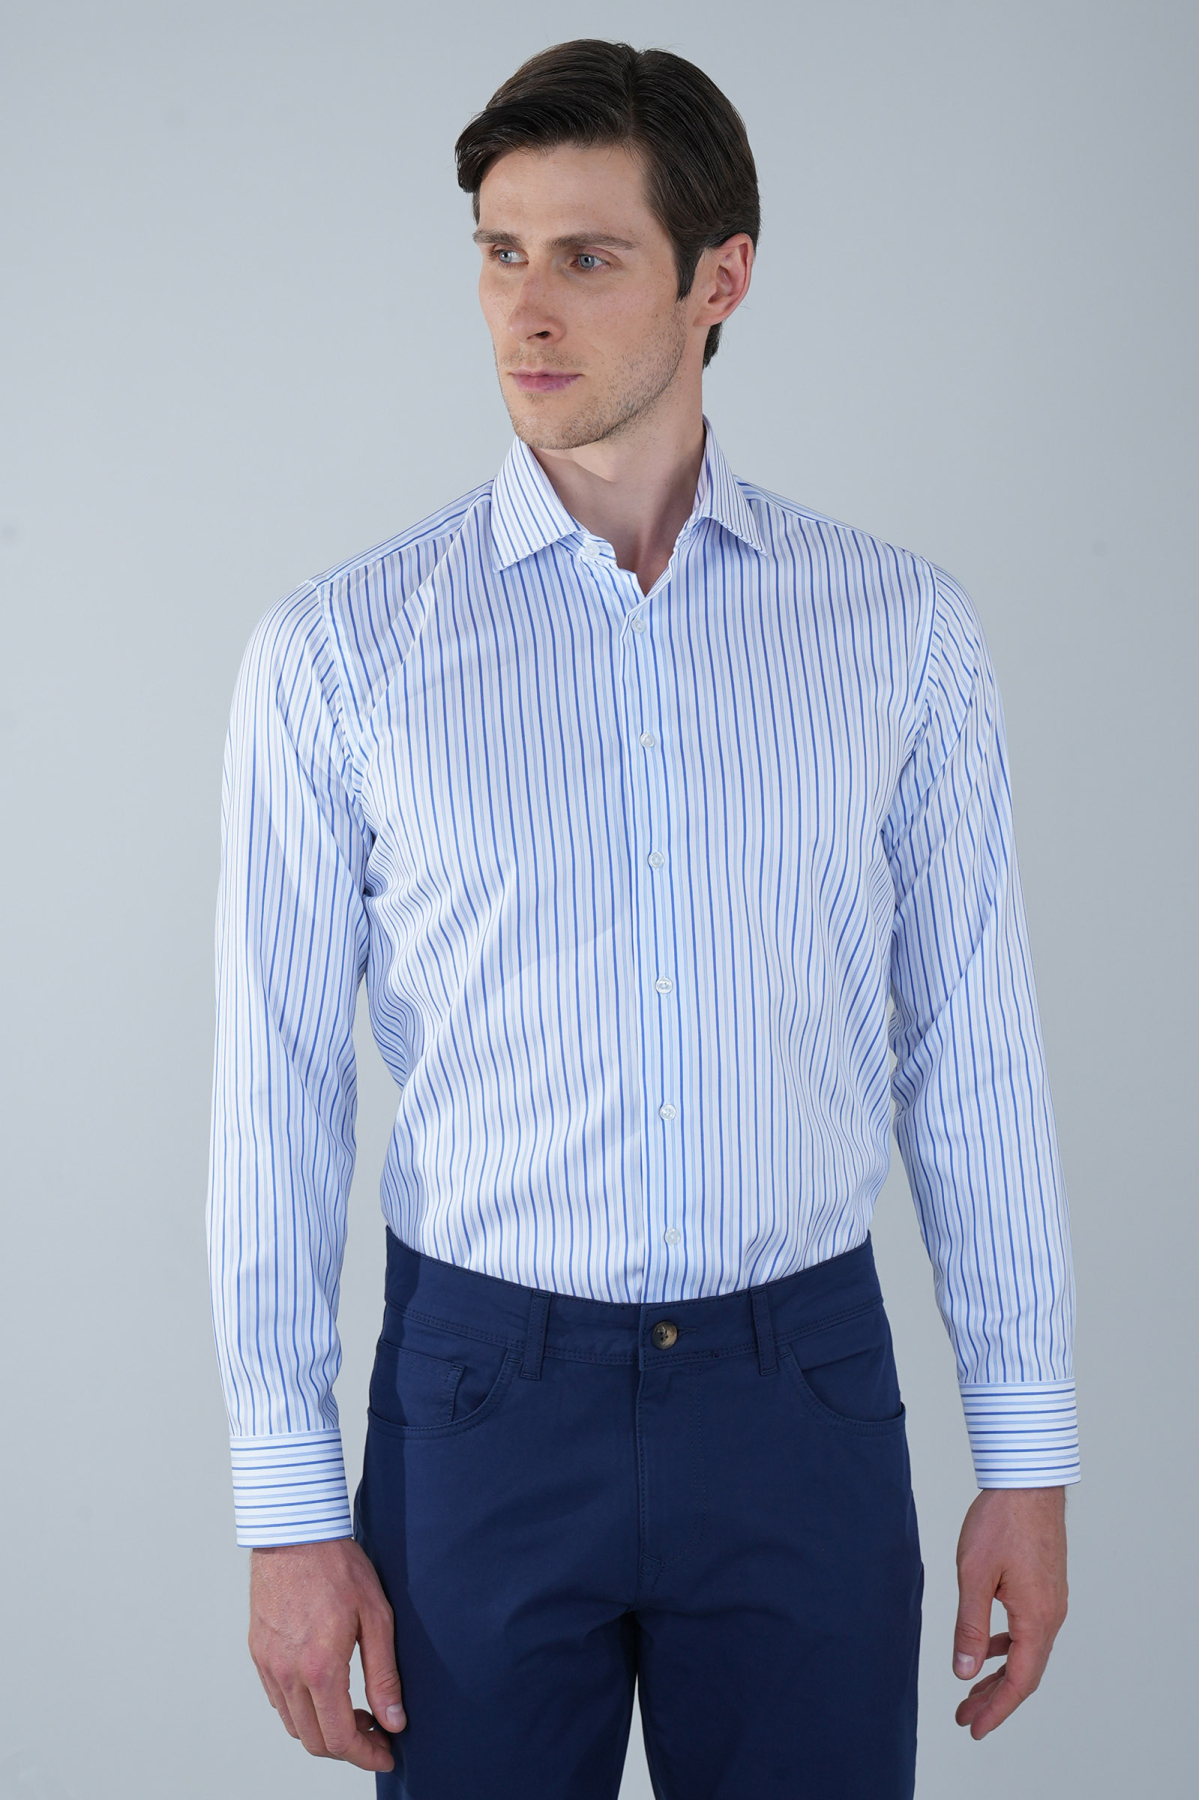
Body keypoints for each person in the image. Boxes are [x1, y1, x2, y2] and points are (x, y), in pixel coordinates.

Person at [206, 38, 1077, 1800]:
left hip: (799, 1393)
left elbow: (972, 1050)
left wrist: (1027, 1451)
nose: (525, 311)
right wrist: (287, 1511)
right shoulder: (342, 655)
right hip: (480, 1401)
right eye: (499, 252)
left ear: (718, 279)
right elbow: (275, 1091)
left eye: (588, 257)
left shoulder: (899, 635)